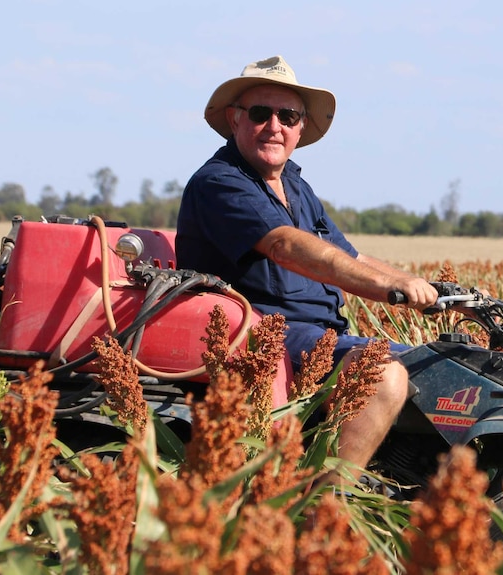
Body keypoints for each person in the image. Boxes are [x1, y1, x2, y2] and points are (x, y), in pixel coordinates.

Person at [175, 55, 438, 473]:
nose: (274, 126)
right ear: (235, 118)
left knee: (442, 368)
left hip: (319, 335)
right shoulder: (220, 182)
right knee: (384, 376)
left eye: (288, 115)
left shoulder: (295, 184)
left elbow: (348, 255)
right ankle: (328, 507)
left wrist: (421, 286)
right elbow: (284, 245)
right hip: (263, 335)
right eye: (261, 113)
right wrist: (386, 292)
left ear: (300, 127)